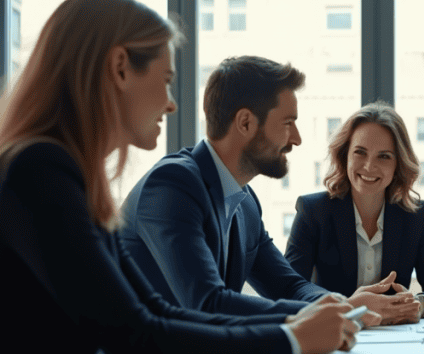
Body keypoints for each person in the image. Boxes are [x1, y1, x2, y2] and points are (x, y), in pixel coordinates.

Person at [0, 0, 359, 354]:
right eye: (166, 79)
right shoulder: (37, 171)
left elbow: (157, 312)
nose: (172, 103)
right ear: (120, 68)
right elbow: (140, 339)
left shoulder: (67, 179)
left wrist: (297, 324)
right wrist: (291, 339)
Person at [118, 56, 401, 322]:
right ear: (245, 123)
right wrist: (335, 312)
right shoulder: (172, 185)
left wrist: (342, 305)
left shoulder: (245, 202)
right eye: (288, 123)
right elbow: (207, 303)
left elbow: (287, 285)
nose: (297, 139)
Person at [285, 102, 424, 322]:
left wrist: (418, 305)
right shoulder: (314, 211)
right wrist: (346, 306)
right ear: (345, 155)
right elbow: (289, 287)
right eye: (360, 153)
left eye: (383, 156)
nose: (368, 166)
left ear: (398, 164)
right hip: (333, 335)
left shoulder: (415, 215)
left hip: (394, 338)